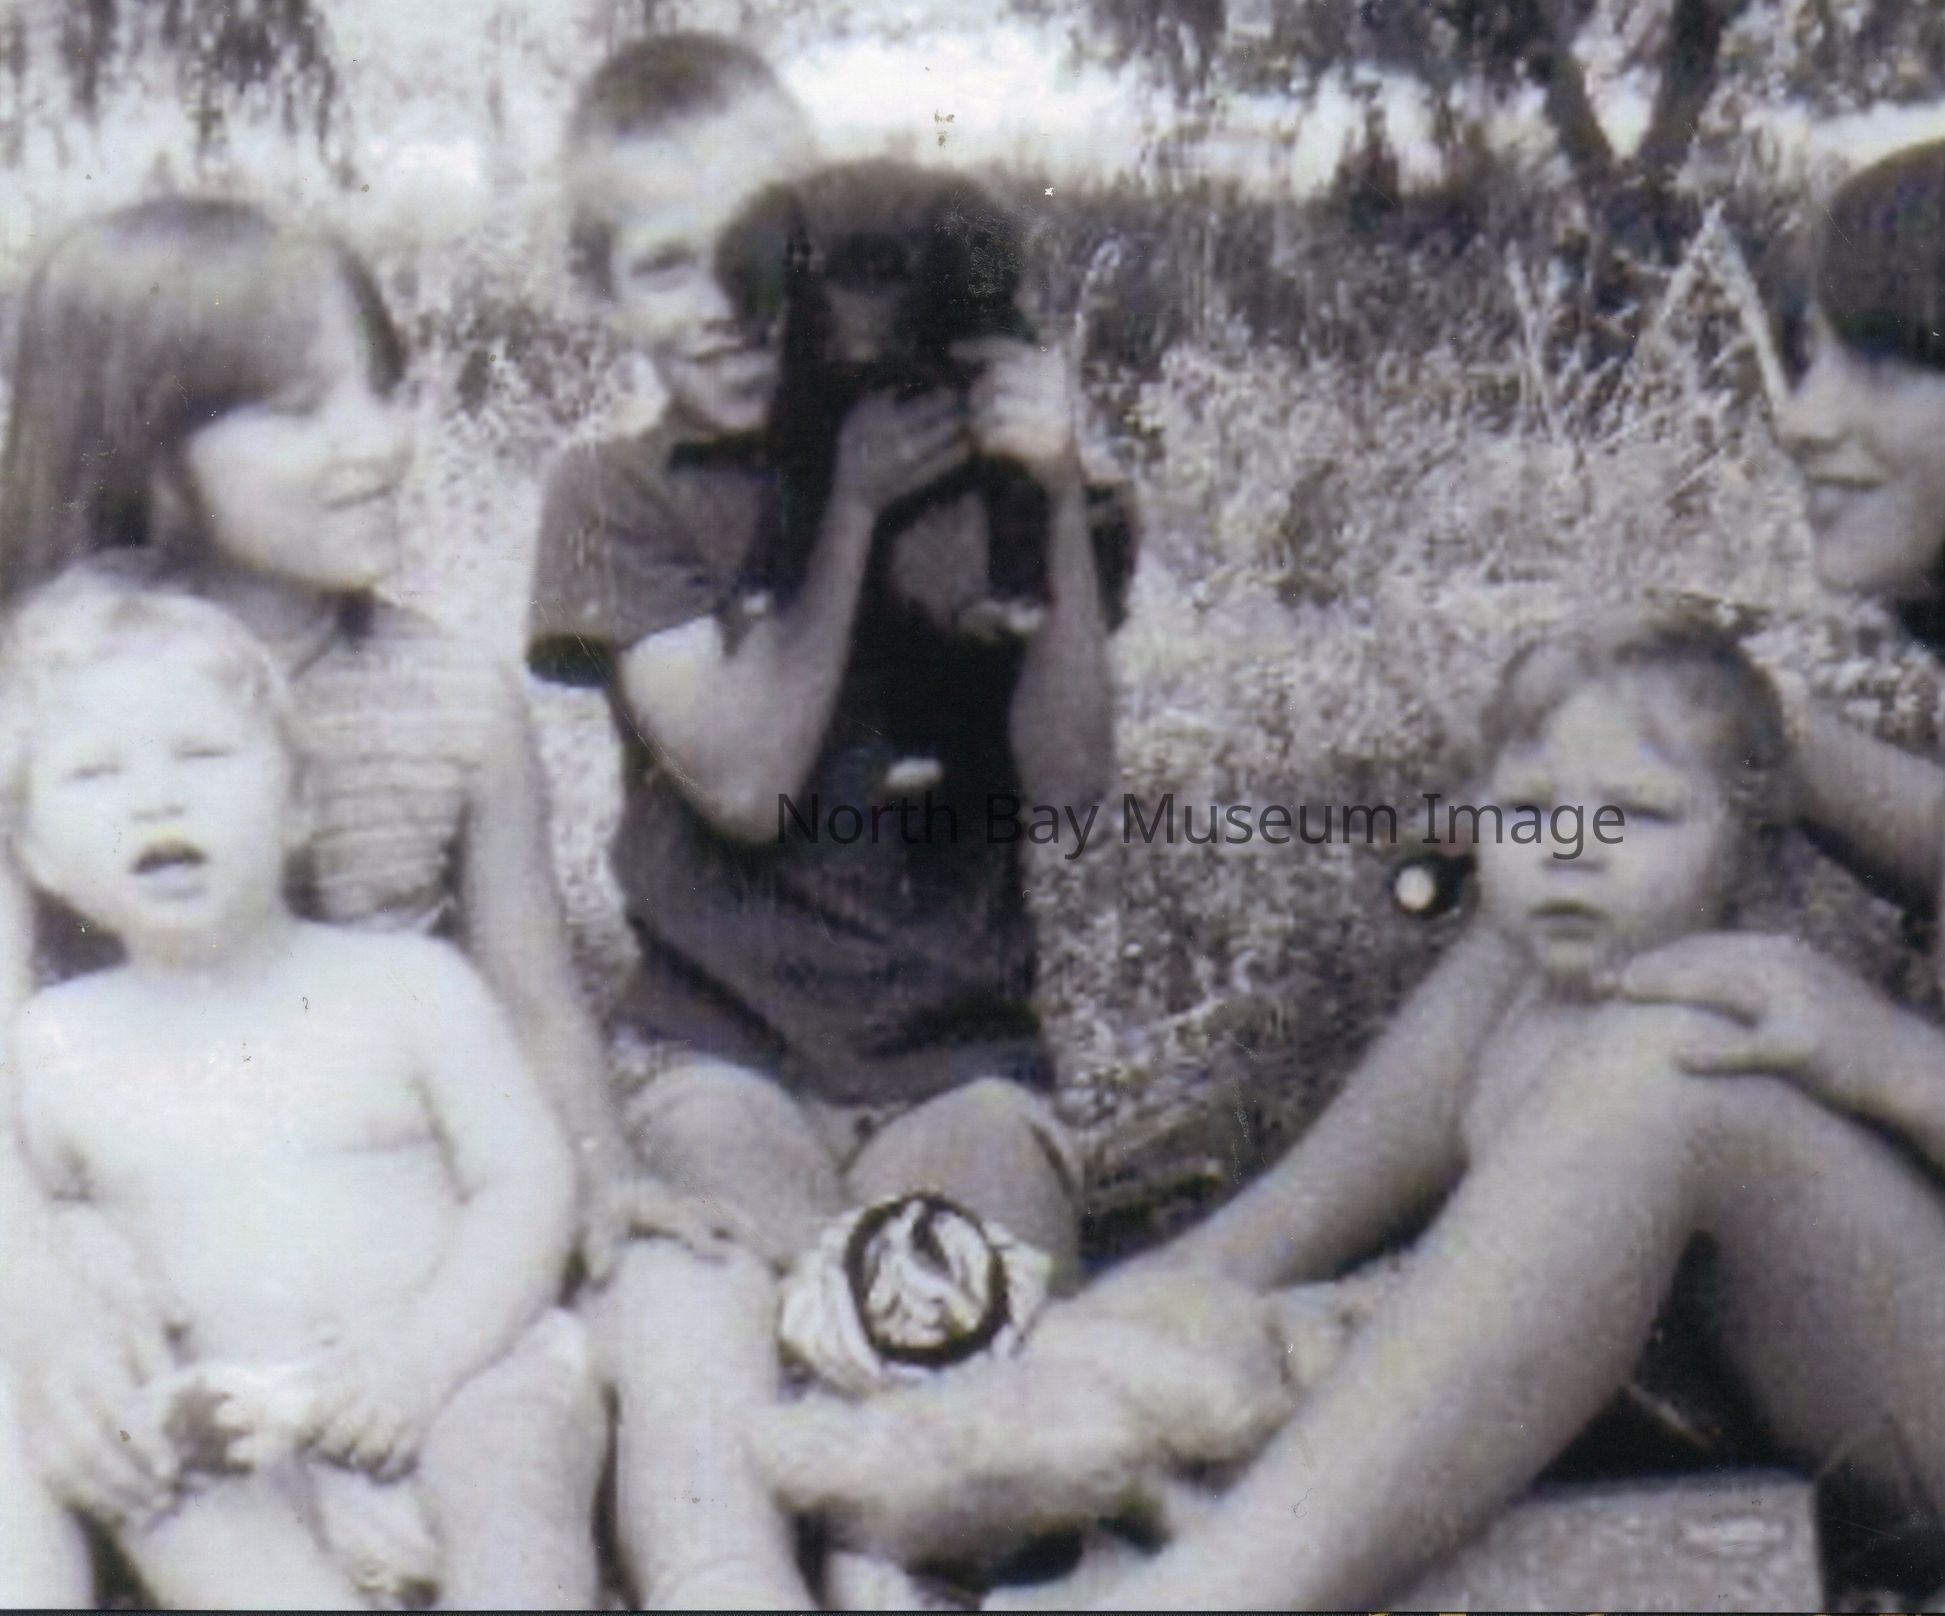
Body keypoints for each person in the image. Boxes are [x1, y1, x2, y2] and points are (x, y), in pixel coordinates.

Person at [1083, 127, 1945, 1612]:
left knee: (1676, 1081)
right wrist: (1745, 731)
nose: (1802, 416)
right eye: (1807, 358)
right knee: (1588, 866)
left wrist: (1876, 1055)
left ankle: (1214, 1591)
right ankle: (1192, 1295)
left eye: (1877, 369)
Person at [0, 195, 677, 1605]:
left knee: (573, 1404)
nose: (378, 441)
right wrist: (50, 1304)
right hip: (142, 1242)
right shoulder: (39, 715)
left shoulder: (448, 699)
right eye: (305, 409)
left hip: (406, 1238)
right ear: (150, 453)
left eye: (383, 390)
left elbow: (535, 995)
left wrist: (606, 1179)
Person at [532, 31, 1120, 1607]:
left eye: (768, 251)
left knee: (954, 1407)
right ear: (604, 293)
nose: (730, 305)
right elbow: (743, 775)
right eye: (671, 266)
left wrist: (1052, 497)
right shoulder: (622, 492)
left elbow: (1068, 784)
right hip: (724, 1062)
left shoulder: (977, 462)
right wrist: (846, 517)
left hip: (959, 1074)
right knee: (707, 1359)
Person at [1, 579, 586, 1608]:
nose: (156, 797)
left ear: (300, 805)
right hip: (239, 1422)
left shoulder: (405, 985)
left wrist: (428, 1351)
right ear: (40, 855)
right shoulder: (55, 1047)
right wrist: (88, 1253)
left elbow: (529, 1180)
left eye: (203, 754)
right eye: (95, 772)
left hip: (457, 1367)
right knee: (159, 1479)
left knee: (512, 1473)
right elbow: (33, 1227)